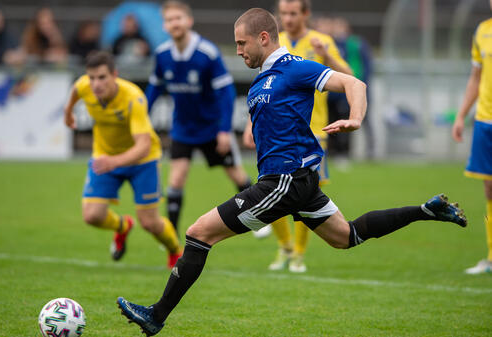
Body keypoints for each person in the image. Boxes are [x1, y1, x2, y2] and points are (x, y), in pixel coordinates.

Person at [116, 8, 467, 335]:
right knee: (346, 237)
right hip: (295, 181)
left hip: (284, 179)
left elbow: (354, 84)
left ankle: (156, 316)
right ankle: (425, 211)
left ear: (264, 38)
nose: (237, 50)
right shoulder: (262, 80)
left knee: (198, 233)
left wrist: (356, 118)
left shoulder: (294, 67)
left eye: (242, 43)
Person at [244, 0, 353, 273]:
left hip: (314, 130)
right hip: (277, 130)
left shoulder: (322, 41)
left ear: (306, 14)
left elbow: (349, 78)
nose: (288, 18)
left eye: (293, 13)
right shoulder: (274, 46)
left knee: (306, 193)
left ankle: (299, 254)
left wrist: (326, 56)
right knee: (268, 184)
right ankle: (284, 246)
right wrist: (250, 125)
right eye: (283, 13)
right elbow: (264, 90)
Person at [63, 51, 182, 268]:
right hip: (105, 156)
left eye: (102, 77)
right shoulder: (84, 86)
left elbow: (143, 145)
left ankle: (175, 250)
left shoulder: (133, 98)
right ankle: (122, 226)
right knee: (92, 216)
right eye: (92, 78)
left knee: (150, 223)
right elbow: (75, 91)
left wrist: (114, 162)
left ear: (114, 75)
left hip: (142, 161)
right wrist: (68, 111)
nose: (95, 84)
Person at [145, 1, 252, 233]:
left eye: (178, 18)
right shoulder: (162, 55)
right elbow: (154, 89)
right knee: (175, 181)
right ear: (164, 25)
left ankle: (259, 218)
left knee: (237, 174)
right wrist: (142, 119)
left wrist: (224, 130)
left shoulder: (207, 52)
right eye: (169, 20)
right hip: (183, 128)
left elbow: (226, 92)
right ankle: (171, 236)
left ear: (189, 21)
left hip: (212, 128)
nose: (174, 23)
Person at [452, 2, 492, 275]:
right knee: (490, 189)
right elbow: (476, 78)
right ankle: (491, 257)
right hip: (485, 120)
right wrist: (461, 115)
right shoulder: (482, 31)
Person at [327, 16, 375, 162]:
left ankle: (370, 151)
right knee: (340, 121)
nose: (337, 29)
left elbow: (366, 67)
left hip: (358, 89)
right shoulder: (333, 44)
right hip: (341, 92)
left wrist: (360, 83)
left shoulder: (356, 44)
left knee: (363, 120)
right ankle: (337, 152)